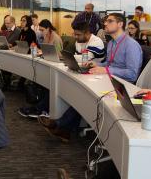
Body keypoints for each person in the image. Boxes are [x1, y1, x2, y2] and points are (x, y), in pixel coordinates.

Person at [38, 13, 143, 142]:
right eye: (105, 21)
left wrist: (105, 69)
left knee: (86, 94)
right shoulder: (111, 43)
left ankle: (61, 126)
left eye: (109, 21)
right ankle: (64, 128)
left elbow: (132, 74)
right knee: (82, 91)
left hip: (122, 86)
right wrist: (97, 64)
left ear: (120, 24)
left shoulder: (131, 45)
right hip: (109, 79)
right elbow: (108, 64)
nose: (105, 23)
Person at [18, 22, 105, 119]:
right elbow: (78, 59)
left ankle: (42, 109)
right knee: (54, 83)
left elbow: (86, 58)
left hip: (95, 76)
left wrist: (64, 56)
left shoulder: (96, 41)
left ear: (87, 33)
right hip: (82, 71)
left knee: (59, 84)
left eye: (78, 35)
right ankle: (42, 108)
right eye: (74, 34)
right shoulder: (79, 41)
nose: (75, 37)